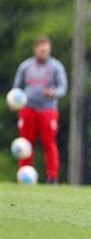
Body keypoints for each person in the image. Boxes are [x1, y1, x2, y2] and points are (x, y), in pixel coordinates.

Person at [12, 36, 68, 183]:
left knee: (49, 143)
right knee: (26, 143)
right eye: (40, 47)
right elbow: (17, 89)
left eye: (46, 47)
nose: (43, 50)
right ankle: (24, 175)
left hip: (48, 110)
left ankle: (52, 177)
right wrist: (15, 101)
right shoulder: (25, 66)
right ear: (35, 49)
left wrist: (53, 93)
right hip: (28, 109)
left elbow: (63, 88)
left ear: (49, 49)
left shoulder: (56, 67)